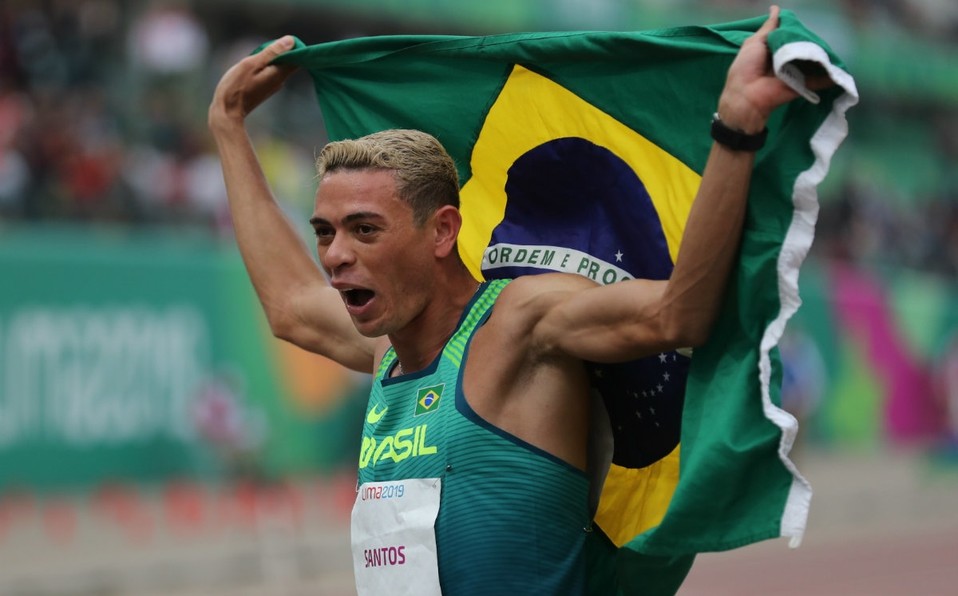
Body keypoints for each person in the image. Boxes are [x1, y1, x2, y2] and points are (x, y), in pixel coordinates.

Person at [208, 6, 829, 594]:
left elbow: (678, 314)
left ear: (442, 232)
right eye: (325, 232)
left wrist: (735, 128)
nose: (336, 255)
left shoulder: (521, 325)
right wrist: (228, 127)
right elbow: (291, 305)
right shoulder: (385, 350)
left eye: (365, 229)